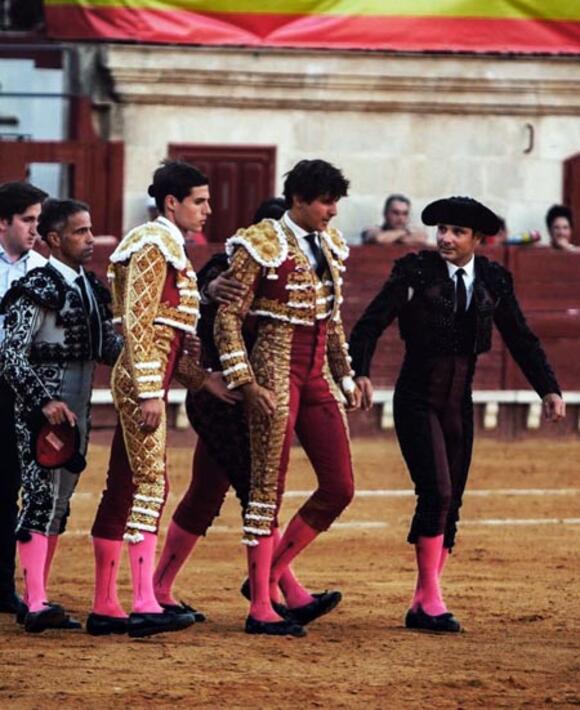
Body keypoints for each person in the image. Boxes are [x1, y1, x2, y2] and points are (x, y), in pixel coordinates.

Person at [349, 195, 565, 633]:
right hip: (416, 397)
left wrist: (548, 388)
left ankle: (422, 599)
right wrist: (360, 373)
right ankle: (430, 599)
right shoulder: (415, 271)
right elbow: (369, 324)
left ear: (478, 240)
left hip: (458, 403)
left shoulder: (493, 279)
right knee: (438, 493)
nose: (445, 238)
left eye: (456, 232)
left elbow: (520, 338)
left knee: (453, 501)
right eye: (441, 230)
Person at [154, 197, 333, 626]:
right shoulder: (228, 266)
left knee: (207, 492)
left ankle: (161, 587)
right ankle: (283, 588)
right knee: (258, 492)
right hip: (224, 399)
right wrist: (208, 291)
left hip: (239, 399)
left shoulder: (295, 269)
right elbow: (198, 295)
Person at [214, 159, 361, 637]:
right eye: (325, 202)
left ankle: (270, 574)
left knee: (339, 486)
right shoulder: (258, 244)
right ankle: (260, 606)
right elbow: (227, 319)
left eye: (336, 202)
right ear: (298, 200)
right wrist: (246, 381)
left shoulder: (329, 244)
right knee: (265, 490)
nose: (332, 212)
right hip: (274, 366)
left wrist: (346, 375)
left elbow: (332, 320)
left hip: (315, 369)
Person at [88, 160, 230, 638]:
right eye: (199, 200)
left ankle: (107, 605)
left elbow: (165, 332)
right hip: (141, 381)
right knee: (152, 484)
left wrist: (201, 379)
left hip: (150, 377)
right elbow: (138, 321)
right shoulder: (152, 245)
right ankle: (144, 600)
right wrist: (151, 390)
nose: (208, 210)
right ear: (172, 202)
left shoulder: (164, 244)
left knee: (125, 486)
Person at [0, 198, 122, 632]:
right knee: (38, 499)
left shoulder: (89, 287)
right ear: (54, 239)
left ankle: (40, 597)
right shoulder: (35, 287)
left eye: (90, 230)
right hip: (41, 414)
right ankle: (33, 603)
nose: (90, 239)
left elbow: (109, 348)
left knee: (58, 503)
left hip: (79, 410)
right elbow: (9, 353)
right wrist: (42, 401)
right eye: (79, 232)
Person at [0, 181, 47, 615]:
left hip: (17, 389)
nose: (35, 229)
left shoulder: (41, 270)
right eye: (27, 220)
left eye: (38, 220)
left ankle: (1, 586)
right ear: (4, 222)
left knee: (9, 485)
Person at [361, 193, 427, 246]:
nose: (400, 218)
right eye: (396, 213)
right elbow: (379, 239)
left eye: (405, 214)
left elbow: (422, 238)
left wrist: (392, 238)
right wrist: (404, 232)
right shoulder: (372, 230)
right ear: (385, 214)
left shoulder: (413, 232)